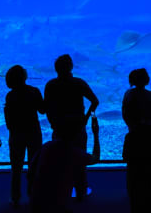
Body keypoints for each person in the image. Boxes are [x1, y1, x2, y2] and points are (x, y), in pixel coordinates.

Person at [43, 54, 99, 200]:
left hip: (59, 128)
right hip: (78, 128)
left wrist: (53, 123)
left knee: (59, 161)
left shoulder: (51, 85)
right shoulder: (79, 83)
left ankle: (60, 192)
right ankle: (81, 191)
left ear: (56, 69)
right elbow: (95, 101)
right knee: (80, 161)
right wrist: (86, 119)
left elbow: (47, 108)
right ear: (71, 67)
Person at [29, 115, 100, 213]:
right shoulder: (74, 153)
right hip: (59, 206)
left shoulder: (45, 147)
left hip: (37, 202)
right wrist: (96, 134)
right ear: (75, 135)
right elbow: (95, 158)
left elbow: (31, 171)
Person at [4, 64, 45, 208]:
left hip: (16, 134)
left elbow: (8, 118)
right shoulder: (34, 91)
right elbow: (42, 110)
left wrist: (12, 129)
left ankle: (15, 197)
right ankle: (34, 194)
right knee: (34, 165)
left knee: (16, 167)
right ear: (24, 77)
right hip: (33, 132)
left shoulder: (10, 95)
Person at [122, 69, 151, 213]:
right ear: (147, 80)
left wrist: (134, 125)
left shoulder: (128, 94)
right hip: (149, 134)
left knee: (133, 167)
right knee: (149, 165)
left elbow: (125, 114)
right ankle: (148, 190)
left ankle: (133, 192)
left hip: (134, 134)